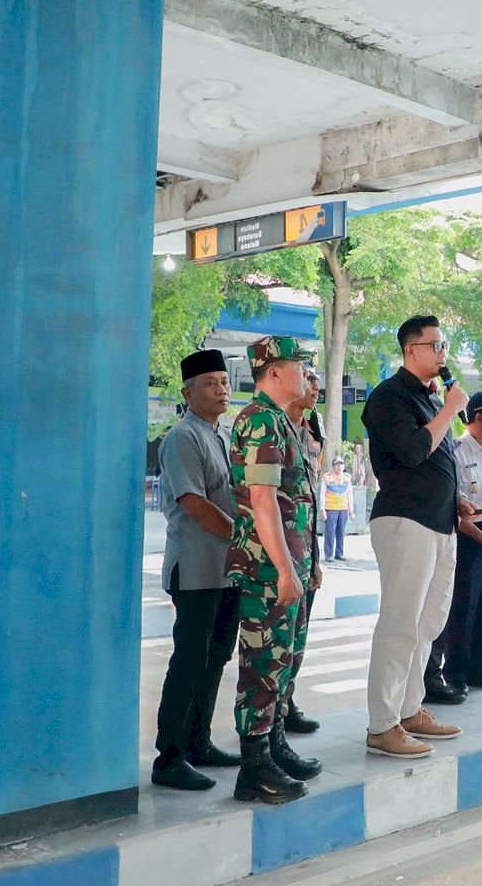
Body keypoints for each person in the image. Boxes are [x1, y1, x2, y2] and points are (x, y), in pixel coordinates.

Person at [361, 315, 469, 758]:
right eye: (436, 346)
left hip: (441, 523)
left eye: (445, 346)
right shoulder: (389, 397)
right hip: (405, 521)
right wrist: (449, 409)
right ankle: (382, 724)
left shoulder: (429, 399)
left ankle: (409, 709)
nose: (443, 355)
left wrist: (457, 500)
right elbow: (412, 451)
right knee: (400, 622)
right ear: (412, 351)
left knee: (428, 624)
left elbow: (437, 461)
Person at [227, 336, 321, 804]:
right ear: (275, 372)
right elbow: (263, 502)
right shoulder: (261, 420)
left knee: (285, 660)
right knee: (263, 665)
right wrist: (286, 570)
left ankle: (274, 743)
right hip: (267, 569)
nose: (306, 374)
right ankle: (254, 765)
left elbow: (298, 504)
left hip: (289, 565)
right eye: (299, 366)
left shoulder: (282, 422)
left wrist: (309, 565)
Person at [151, 349, 243, 791]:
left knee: (216, 659)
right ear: (188, 392)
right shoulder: (182, 437)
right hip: (195, 569)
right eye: (210, 382)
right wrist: (242, 538)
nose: (221, 388)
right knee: (189, 662)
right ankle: (168, 758)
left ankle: (197, 741)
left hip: (226, 570)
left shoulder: (220, 435)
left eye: (224, 381)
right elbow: (193, 502)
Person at [424, 391, 482, 704]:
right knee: (464, 607)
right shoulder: (457, 450)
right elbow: (454, 504)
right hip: (469, 535)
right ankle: (457, 673)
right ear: (479, 417)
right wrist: (480, 536)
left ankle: (481, 668)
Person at [279, 367, 324, 737]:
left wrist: (317, 559)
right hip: (278, 557)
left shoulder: (313, 428)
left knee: (298, 638)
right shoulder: (272, 426)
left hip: (305, 549)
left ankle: (287, 702)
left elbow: (310, 497)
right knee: (272, 649)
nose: (315, 386)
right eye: (307, 378)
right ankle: (270, 721)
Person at [323, 458, 351, 561]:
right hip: (331, 508)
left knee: (341, 532)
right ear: (333, 466)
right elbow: (323, 493)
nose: (339, 467)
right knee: (330, 532)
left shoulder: (347, 478)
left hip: (343, 508)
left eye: (341, 464)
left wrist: (351, 510)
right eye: (337, 464)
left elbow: (349, 494)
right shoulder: (327, 477)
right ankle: (328, 554)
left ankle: (339, 552)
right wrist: (322, 509)